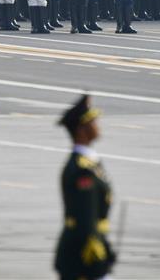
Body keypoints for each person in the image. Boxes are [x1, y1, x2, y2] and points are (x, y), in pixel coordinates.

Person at [54, 94, 116, 280]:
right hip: (83, 257)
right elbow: (85, 221)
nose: (97, 125)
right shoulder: (82, 170)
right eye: (93, 122)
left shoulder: (90, 164)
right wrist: (96, 258)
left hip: (88, 250)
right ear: (82, 129)